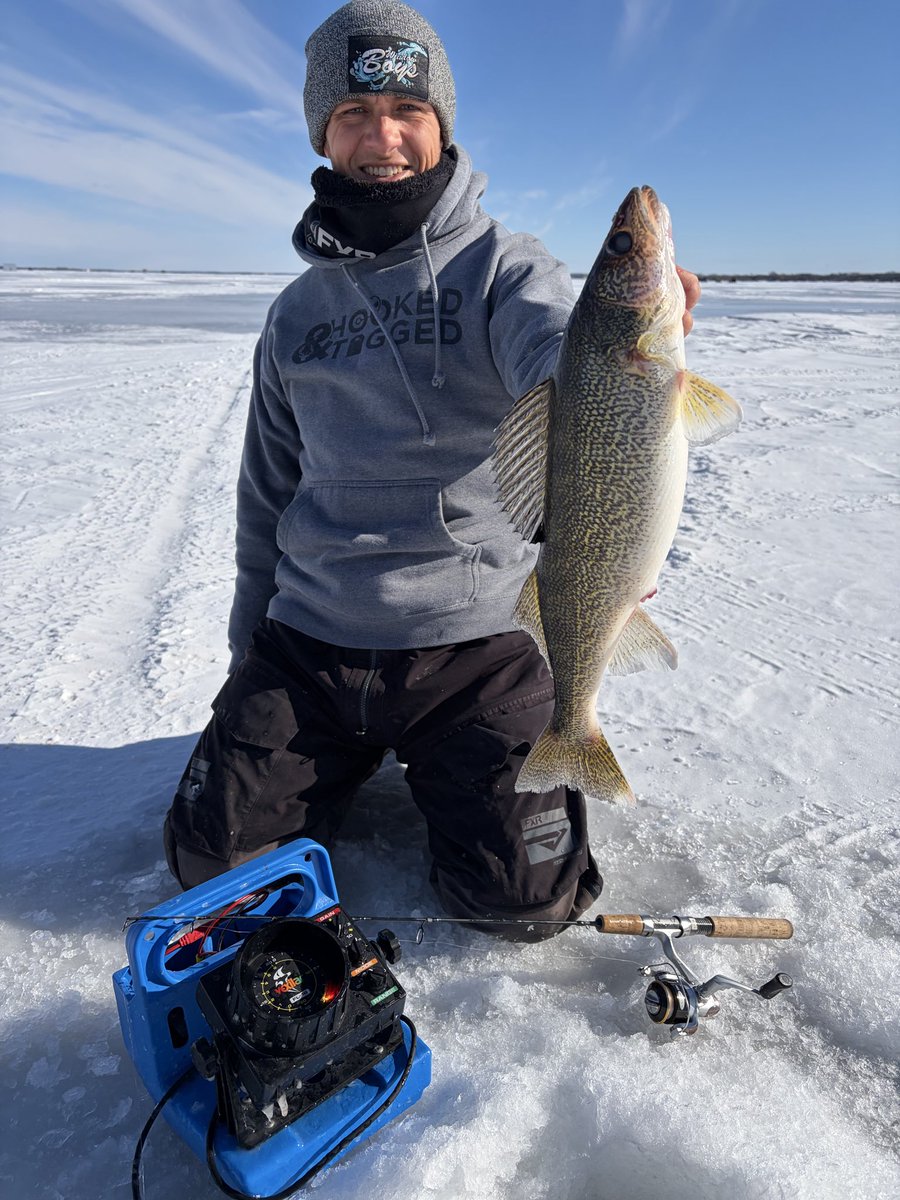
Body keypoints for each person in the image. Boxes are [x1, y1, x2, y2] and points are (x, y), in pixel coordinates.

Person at [163, 0, 699, 938]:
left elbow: (553, 353)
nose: (384, 138)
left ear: (441, 125)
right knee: (214, 871)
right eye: (354, 116)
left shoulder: (505, 270)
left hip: (475, 644)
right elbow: (267, 492)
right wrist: (250, 645)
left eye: (408, 111)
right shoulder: (294, 316)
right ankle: (328, 754)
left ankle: (466, 760)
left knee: (522, 903)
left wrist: (618, 345)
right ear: (322, 135)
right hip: (313, 641)